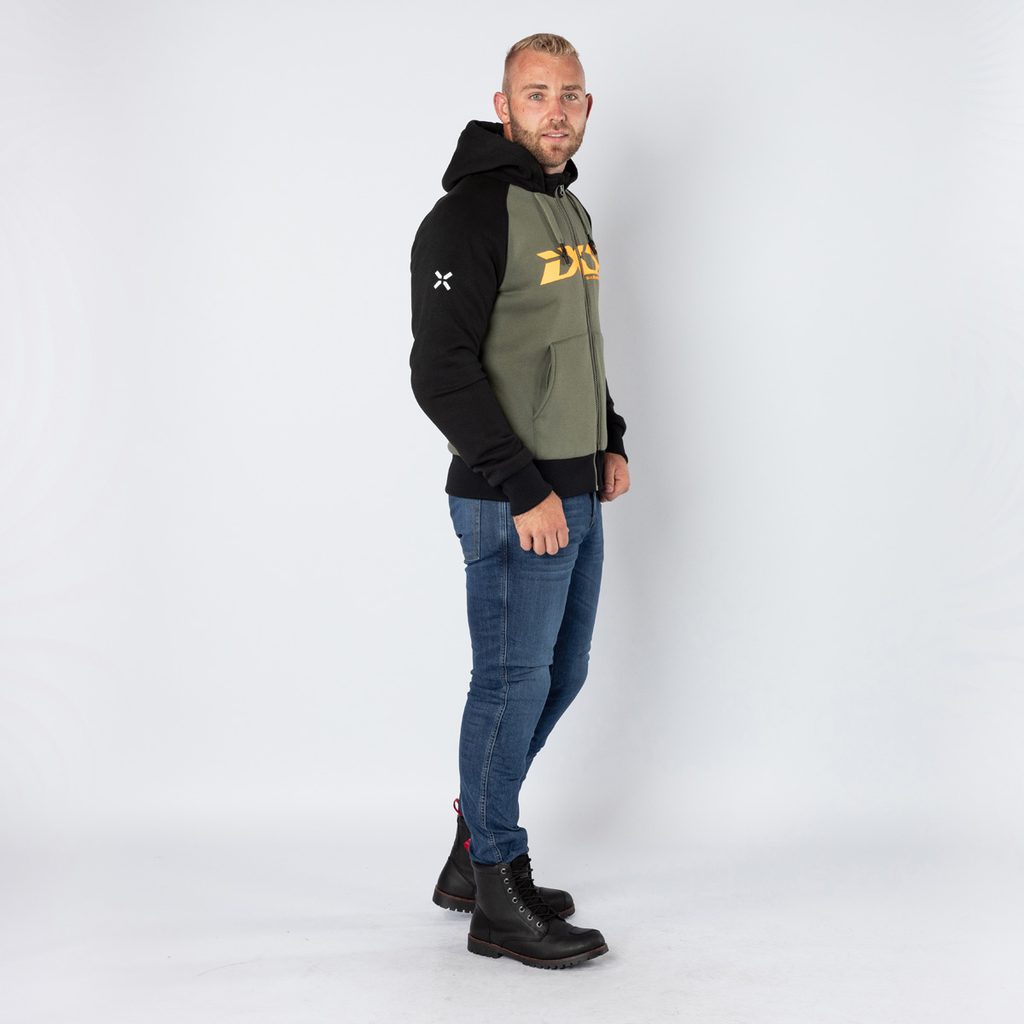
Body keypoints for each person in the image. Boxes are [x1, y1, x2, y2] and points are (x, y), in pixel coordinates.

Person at [409, 32, 630, 969]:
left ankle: (475, 854)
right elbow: (440, 372)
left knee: (560, 674)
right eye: (536, 94)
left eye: (570, 94)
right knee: (509, 683)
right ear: (503, 106)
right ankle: (498, 889)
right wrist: (526, 483)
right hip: (513, 498)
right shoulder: (468, 217)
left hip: (573, 486)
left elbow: (573, 341)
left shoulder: (567, 205)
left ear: (587, 106)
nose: (556, 110)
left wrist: (609, 436)